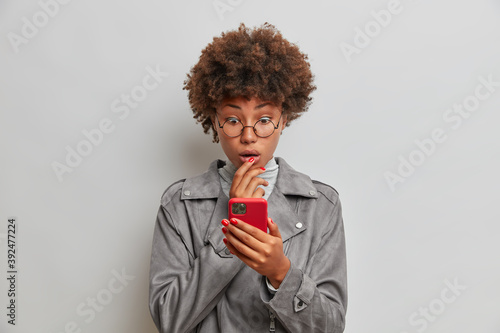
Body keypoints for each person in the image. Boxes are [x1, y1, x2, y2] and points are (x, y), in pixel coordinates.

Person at [149, 23, 347, 333]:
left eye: (264, 120)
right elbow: (170, 320)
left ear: (284, 120)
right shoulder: (180, 204)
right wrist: (235, 226)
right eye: (232, 120)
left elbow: (329, 328)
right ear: (214, 121)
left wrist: (281, 272)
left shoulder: (321, 204)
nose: (248, 136)